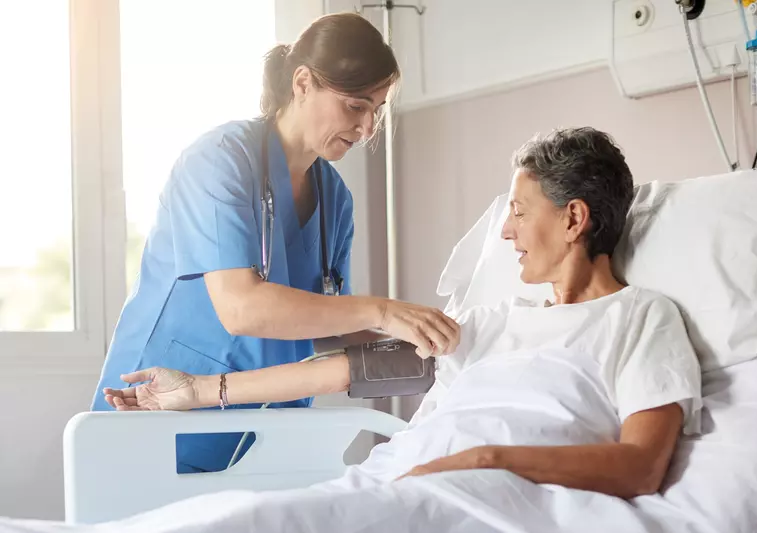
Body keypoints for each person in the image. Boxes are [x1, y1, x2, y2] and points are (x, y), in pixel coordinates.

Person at [103, 127, 702, 507]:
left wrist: (486, 459)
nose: (506, 229)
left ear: (574, 220)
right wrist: (199, 392)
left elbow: (641, 465)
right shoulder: (492, 321)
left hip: (480, 498)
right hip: (390, 487)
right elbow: (345, 371)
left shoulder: (641, 319)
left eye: (519, 210)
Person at [90, 12, 460, 475]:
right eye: (355, 106)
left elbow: (329, 324)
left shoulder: (335, 199)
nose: (367, 129)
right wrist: (384, 310)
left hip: (266, 432)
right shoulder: (220, 161)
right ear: (302, 83)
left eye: (376, 110)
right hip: (157, 412)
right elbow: (241, 308)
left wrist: (421, 340)